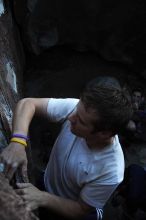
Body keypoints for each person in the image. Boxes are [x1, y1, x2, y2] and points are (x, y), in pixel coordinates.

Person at [0, 77, 133, 220]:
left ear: (104, 133)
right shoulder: (79, 110)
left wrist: (42, 197)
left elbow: (81, 209)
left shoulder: (111, 170)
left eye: (80, 121)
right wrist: (18, 142)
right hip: (47, 182)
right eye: (76, 110)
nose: (71, 117)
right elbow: (28, 104)